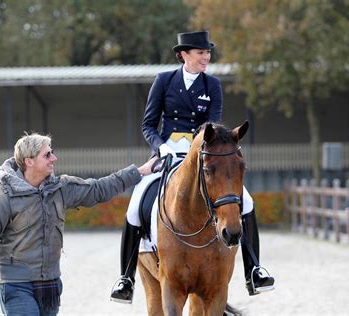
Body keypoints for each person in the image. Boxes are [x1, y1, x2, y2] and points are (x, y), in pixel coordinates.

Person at [110, 30, 275, 304]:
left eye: (208, 53)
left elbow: (213, 126)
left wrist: (201, 151)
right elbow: (148, 124)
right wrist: (161, 146)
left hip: (203, 156)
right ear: (184, 55)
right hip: (167, 154)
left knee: (246, 201)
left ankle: (254, 270)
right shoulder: (164, 81)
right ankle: (125, 278)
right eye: (200, 53)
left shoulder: (212, 85)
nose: (206, 57)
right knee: (135, 205)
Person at [0, 132, 157, 315]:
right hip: (17, 287)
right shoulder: (4, 198)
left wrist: (138, 172)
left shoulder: (61, 188)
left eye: (52, 152)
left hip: (51, 287)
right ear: (29, 161)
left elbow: (98, 188)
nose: (53, 158)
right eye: (47, 155)